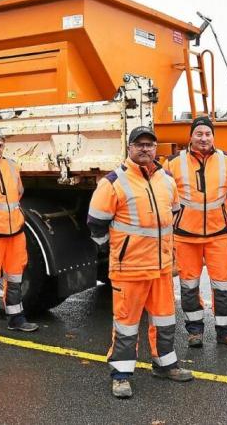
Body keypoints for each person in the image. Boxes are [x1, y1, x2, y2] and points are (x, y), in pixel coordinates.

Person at [88, 126, 193, 398]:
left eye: (150, 144)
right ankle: (121, 375)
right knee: (126, 323)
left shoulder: (166, 179)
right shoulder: (112, 182)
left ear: (155, 148)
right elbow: (96, 224)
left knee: (165, 319)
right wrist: (117, 250)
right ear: (130, 147)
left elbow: (174, 212)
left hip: (160, 268)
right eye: (139, 144)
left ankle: (165, 364)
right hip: (130, 268)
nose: (145, 149)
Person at [163, 116, 227, 348]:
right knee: (189, 286)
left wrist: (224, 210)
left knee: (223, 286)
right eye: (199, 134)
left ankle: (226, 332)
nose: (204, 138)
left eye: (208, 134)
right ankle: (195, 331)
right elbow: (164, 194)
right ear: (190, 137)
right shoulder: (172, 163)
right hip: (186, 236)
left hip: (218, 235)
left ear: (213, 137)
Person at [0, 130, 38, 340]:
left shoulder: (12, 165)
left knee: (15, 278)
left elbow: (18, 192)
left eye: (0, 145)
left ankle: (16, 320)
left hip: (16, 233)